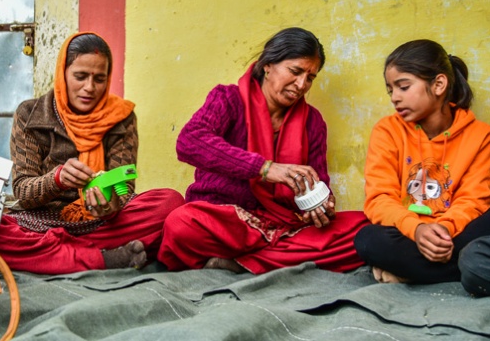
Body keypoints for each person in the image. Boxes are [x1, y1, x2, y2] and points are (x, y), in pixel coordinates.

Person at [157, 27, 368, 274]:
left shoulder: (313, 122)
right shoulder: (228, 99)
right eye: (296, 71)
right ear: (268, 65)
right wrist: (264, 168)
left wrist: (321, 206)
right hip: (228, 223)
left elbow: (318, 180)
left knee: (363, 229)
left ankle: (242, 264)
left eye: (310, 77)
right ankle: (275, 261)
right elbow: (189, 142)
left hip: (283, 226)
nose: (301, 84)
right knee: (181, 224)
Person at [0, 32, 184, 274]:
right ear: (63, 73)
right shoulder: (30, 114)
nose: (89, 88)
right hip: (40, 222)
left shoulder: (121, 118)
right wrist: (57, 179)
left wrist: (110, 205)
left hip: (101, 223)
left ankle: (59, 254)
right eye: (80, 77)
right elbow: (22, 191)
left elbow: (124, 190)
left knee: (169, 203)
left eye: (99, 79)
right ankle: (102, 257)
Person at [354, 40, 490, 290]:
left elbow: (473, 201)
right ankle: (456, 269)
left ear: (439, 84)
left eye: (403, 87)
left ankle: (412, 272)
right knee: (367, 240)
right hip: (407, 235)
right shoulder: (386, 130)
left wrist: (442, 230)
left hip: (456, 235)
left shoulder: (482, 136)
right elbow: (379, 199)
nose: (395, 98)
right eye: (391, 91)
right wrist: (418, 230)